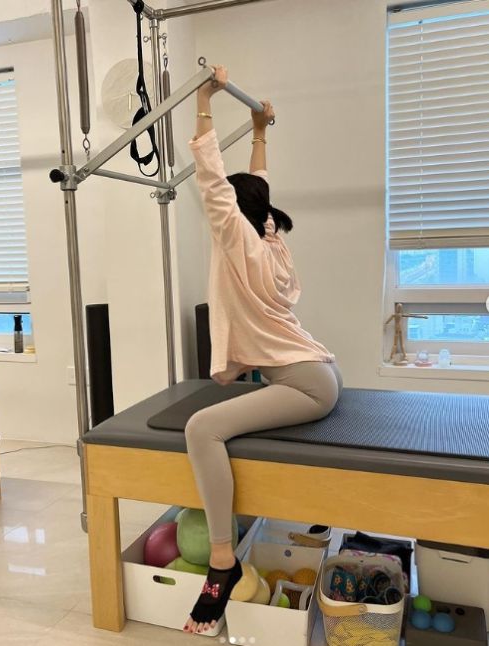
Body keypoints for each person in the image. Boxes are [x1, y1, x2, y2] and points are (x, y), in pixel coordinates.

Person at [183, 65, 342, 635]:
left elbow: (212, 180)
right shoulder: (272, 243)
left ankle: (221, 559)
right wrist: (258, 130)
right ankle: (223, 556)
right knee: (211, 425)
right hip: (314, 373)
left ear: (235, 214)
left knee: (201, 429)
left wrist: (204, 100)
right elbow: (258, 187)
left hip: (304, 383)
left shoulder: (238, 241)